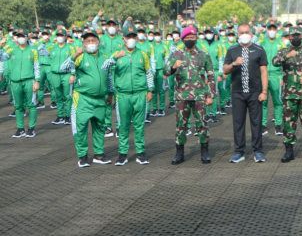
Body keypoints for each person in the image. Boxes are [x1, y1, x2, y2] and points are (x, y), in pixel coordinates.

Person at [60, 30, 113, 167]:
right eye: (87, 41)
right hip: (83, 98)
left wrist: (111, 93)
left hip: (100, 99)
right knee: (81, 127)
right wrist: (74, 55)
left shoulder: (105, 57)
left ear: (98, 42)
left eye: (93, 41)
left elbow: (108, 77)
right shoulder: (80, 57)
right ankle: (82, 156)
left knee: (100, 127)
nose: (91, 43)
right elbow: (63, 68)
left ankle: (99, 154)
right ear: (83, 43)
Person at [166, 26, 217, 165]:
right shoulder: (176, 54)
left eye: (192, 37)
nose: (190, 39)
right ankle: (179, 152)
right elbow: (165, 73)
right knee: (181, 125)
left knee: (202, 124)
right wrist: (173, 67)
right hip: (182, 96)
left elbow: (211, 75)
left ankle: (205, 151)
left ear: (196, 38)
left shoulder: (203, 54)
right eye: (187, 38)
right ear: (183, 39)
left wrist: (211, 95)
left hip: (200, 95)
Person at [103, 30, 154, 166]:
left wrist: (150, 89)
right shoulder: (117, 54)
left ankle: (141, 153)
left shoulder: (143, 54)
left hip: (140, 94)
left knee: (139, 126)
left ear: (136, 38)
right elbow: (104, 68)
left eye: (133, 37)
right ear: (123, 39)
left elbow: (148, 72)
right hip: (123, 95)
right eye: (128, 37)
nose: (131, 39)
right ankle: (122, 154)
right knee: (123, 126)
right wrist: (115, 58)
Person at [272, 26, 302, 163]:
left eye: (298, 35)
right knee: (288, 123)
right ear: (288, 37)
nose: (295, 38)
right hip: (289, 95)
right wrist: (287, 56)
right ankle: (289, 151)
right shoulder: (284, 51)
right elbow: (274, 62)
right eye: (292, 35)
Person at [224, 24, 269, 164]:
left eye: (247, 32)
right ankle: (239, 151)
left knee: (256, 122)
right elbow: (225, 70)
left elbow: (264, 72)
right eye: (241, 32)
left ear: (251, 34)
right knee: (238, 122)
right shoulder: (232, 50)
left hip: (255, 92)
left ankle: (258, 151)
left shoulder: (259, 49)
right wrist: (234, 64)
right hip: (238, 92)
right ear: (238, 34)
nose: (244, 34)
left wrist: (264, 91)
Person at [0, 29, 42, 138]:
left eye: (23, 36)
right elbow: (2, 57)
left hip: (29, 81)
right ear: (16, 39)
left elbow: (37, 66)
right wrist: (0, 46)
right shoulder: (11, 50)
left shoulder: (33, 50)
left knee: (31, 105)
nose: (21, 38)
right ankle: (20, 128)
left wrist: (37, 81)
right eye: (19, 36)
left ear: (27, 37)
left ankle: (31, 128)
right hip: (15, 82)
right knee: (18, 106)